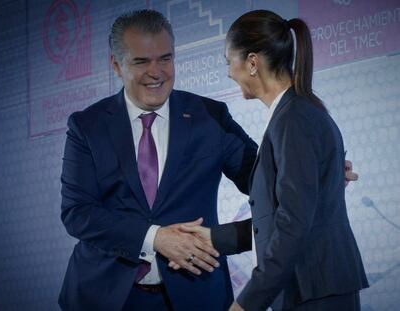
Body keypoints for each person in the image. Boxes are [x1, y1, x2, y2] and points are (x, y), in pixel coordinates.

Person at [59, 9, 359, 311]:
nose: (156, 71)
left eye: (165, 58)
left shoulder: (209, 117)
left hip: (196, 294)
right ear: (116, 64)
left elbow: (264, 179)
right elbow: (77, 212)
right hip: (106, 295)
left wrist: (318, 171)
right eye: (141, 61)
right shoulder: (87, 127)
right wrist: (155, 238)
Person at [178, 10, 368, 311]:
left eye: (230, 62)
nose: (229, 72)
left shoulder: (293, 120)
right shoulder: (296, 113)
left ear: (252, 62)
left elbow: (292, 226)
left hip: (313, 293)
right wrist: (213, 237)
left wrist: (246, 304)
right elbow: (284, 217)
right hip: (313, 289)